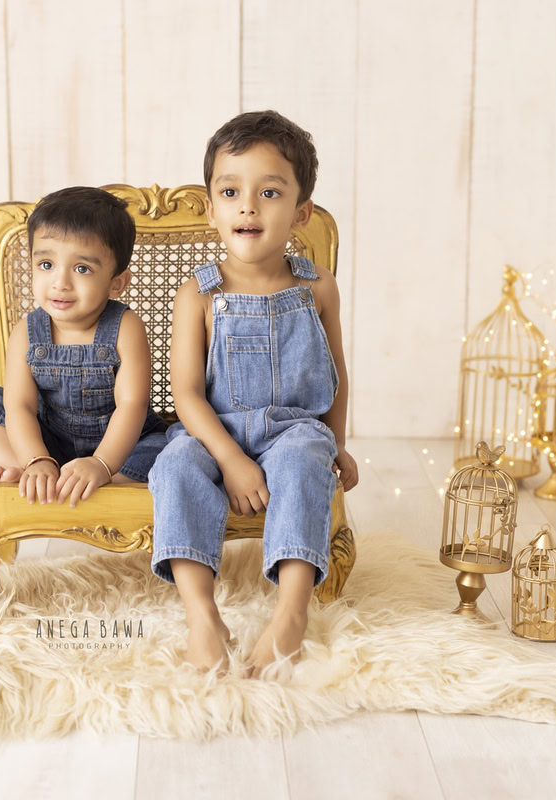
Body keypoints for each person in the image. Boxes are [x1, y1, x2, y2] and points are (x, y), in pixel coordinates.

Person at [148, 110, 359, 679]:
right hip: (215, 430)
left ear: (301, 211)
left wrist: (337, 445)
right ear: (211, 207)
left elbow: (336, 375)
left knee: (300, 463)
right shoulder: (198, 292)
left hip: (296, 430)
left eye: (270, 192)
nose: (248, 206)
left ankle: (291, 613)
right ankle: (201, 615)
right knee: (174, 467)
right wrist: (232, 459)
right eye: (231, 191)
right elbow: (187, 395)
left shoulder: (318, 287)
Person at [0, 186, 168, 508]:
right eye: (46, 265)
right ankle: (34, 470)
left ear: (117, 282)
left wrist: (101, 463)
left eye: (82, 269)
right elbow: (21, 408)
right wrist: (36, 457)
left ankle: (93, 479)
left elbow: (132, 406)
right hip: (47, 443)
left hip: (119, 446)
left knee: (167, 447)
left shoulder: (126, 327)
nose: (60, 282)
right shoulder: (26, 333)